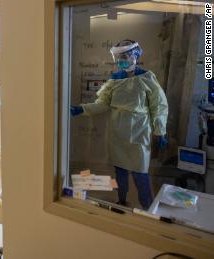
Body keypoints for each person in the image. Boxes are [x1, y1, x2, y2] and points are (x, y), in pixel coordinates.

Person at [70, 39, 169, 210]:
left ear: (135, 55)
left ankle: (148, 208)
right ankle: (121, 201)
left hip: (140, 130)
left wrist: (160, 131)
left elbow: (158, 106)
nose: (120, 61)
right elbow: (102, 104)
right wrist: (81, 109)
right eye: (117, 57)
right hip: (118, 131)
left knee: (140, 173)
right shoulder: (114, 80)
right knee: (120, 171)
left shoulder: (147, 77)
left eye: (124, 56)